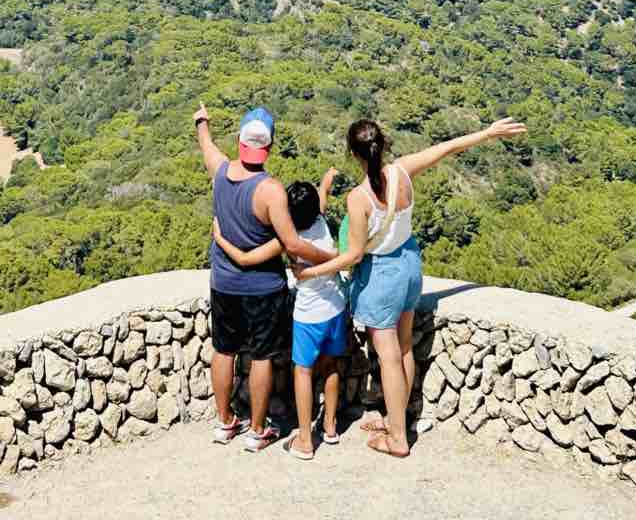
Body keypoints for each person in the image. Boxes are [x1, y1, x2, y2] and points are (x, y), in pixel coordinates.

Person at [294, 115, 527, 458]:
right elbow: (448, 147)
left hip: (382, 278)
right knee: (403, 349)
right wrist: (488, 133)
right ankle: (397, 421)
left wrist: (312, 273)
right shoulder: (402, 172)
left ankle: (398, 439)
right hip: (409, 267)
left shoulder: (359, 199)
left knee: (388, 357)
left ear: (353, 154)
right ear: (383, 144)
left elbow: (354, 255)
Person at [194, 101, 333, 452]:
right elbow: (292, 243)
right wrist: (335, 258)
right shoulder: (270, 190)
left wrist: (202, 122)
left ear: (240, 141)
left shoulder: (220, 171)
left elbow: (207, 147)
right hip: (261, 289)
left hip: (223, 283)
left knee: (223, 350)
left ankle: (225, 422)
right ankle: (258, 429)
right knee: (260, 357)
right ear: (268, 147)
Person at [214, 167, 346, 460]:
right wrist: (325, 181)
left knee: (303, 371)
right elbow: (321, 200)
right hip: (336, 307)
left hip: (309, 315)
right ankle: (331, 427)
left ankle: (304, 439)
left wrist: (220, 239)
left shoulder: (287, 238)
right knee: (331, 366)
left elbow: (246, 259)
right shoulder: (321, 221)